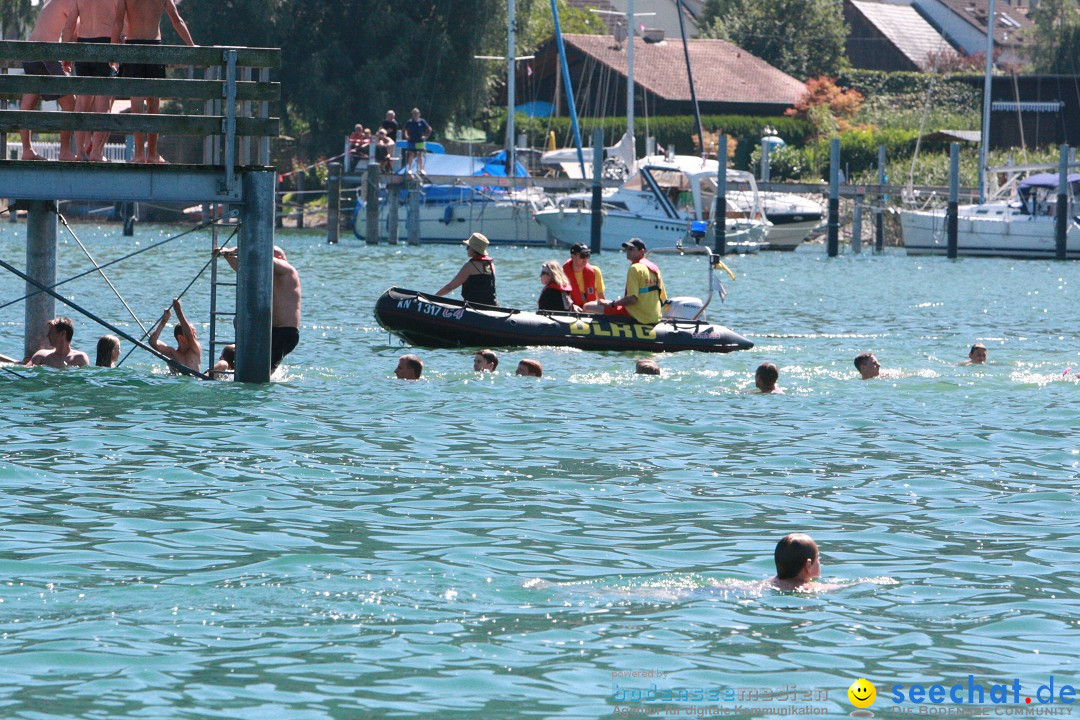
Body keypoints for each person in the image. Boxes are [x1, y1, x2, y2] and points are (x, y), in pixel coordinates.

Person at [112, 0, 195, 164]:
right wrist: (191, 45)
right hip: (154, 47)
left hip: (133, 46)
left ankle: (139, 154)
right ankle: (152, 154)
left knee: (136, 102)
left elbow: (118, 21)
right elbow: (176, 20)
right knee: (153, 103)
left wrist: (113, 50)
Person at [216, 245, 302, 372]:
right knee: (236, 357)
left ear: (279, 258)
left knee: (259, 372)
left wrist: (233, 250)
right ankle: (224, 375)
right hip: (268, 331)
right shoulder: (267, 275)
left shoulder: (288, 271)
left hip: (284, 333)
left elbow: (262, 257)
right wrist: (227, 255)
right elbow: (243, 269)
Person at [63, 0, 121, 162]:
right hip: (106, 44)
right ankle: (96, 152)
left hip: (83, 46)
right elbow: (121, 21)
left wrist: (66, 53)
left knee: (81, 103)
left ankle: (80, 153)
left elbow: (70, 24)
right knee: (104, 103)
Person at [20, 0, 77, 162]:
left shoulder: (50, 2)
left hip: (30, 52)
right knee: (70, 103)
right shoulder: (68, 2)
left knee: (28, 102)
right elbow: (74, 29)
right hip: (45, 54)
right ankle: (65, 152)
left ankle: (27, 150)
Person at [592, 238, 667, 324]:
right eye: (627, 249)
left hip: (636, 315)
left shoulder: (634, 268)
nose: (627, 251)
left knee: (588, 306)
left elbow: (632, 299)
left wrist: (612, 303)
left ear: (641, 252)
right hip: (654, 317)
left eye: (631, 249)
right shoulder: (655, 268)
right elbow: (662, 297)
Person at [435, 232, 496, 306]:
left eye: (468, 247)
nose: (466, 250)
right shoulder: (491, 265)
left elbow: (450, 287)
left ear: (474, 249)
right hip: (492, 306)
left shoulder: (470, 266)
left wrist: (433, 298)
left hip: (474, 307)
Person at [148, 297, 202, 372]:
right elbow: (152, 342)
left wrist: (178, 311)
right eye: (193, 334)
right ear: (180, 337)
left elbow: (189, 337)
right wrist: (164, 321)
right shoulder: (172, 353)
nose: (195, 337)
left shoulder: (195, 348)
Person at [563, 243, 605, 309]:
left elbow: (601, 296)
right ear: (573, 256)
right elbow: (561, 297)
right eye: (582, 256)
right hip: (571, 308)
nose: (585, 259)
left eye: (587, 255)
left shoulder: (595, 271)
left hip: (590, 309)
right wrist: (572, 307)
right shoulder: (562, 273)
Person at [403, 107, 431, 172]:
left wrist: (426, 136)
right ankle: (409, 169)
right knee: (411, 154)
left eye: (416, 114)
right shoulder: (409, 122)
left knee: (420, 155)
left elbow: (429, 129)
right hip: (411, 140)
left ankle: (421, 169)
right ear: (412, 115)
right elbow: (405, 130)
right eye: (414, 114)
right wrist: (406, 136)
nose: (415, 115)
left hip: (420, 141)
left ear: (419, 114)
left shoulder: (422, 121)